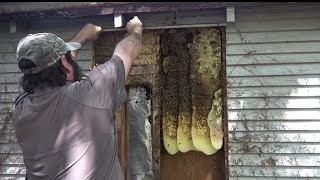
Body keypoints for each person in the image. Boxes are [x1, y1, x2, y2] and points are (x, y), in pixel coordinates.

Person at [12, 16, 143, 180]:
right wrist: (136, 29)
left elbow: (51, 65)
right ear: (65, 63)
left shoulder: (20, 110)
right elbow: (126, 51)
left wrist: (82, 37)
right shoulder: (87, 95)